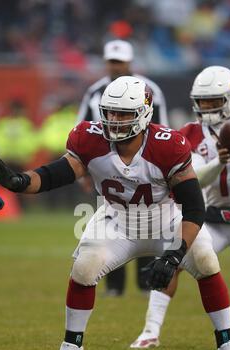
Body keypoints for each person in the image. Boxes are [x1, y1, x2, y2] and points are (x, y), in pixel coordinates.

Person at [0, 75, 230, 350]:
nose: (114, 120)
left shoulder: (167, 145)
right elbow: (55, 175)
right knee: (84, 267)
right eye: (110, 112)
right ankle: (70, 349)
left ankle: (229, 345)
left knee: (206, 261)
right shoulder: (89, 138)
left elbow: (194, 207)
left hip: (166, 219)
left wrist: (175, 254)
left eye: (124, 114)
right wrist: (20, 182)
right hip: (117, 220)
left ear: (144, 113)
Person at [131, 66, 230, 350]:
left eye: (214, 101)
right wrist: (220, 162)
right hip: (210, 216)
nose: (207, 107)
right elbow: (195, 180)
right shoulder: (188, 133)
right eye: (203, 101)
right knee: (171, 262)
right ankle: (150, 331)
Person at [78, 39, 168, 296]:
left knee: (148, 221)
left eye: (120, 61)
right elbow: (83, 129)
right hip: (106, 165)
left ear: (129, 62)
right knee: (111, 222)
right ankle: (114, 286)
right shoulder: (94, 92)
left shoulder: (150, 89)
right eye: (112, 61)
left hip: (145, 164)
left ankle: (145, 283)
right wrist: (83, 170)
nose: (115, 66)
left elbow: (163, 128)